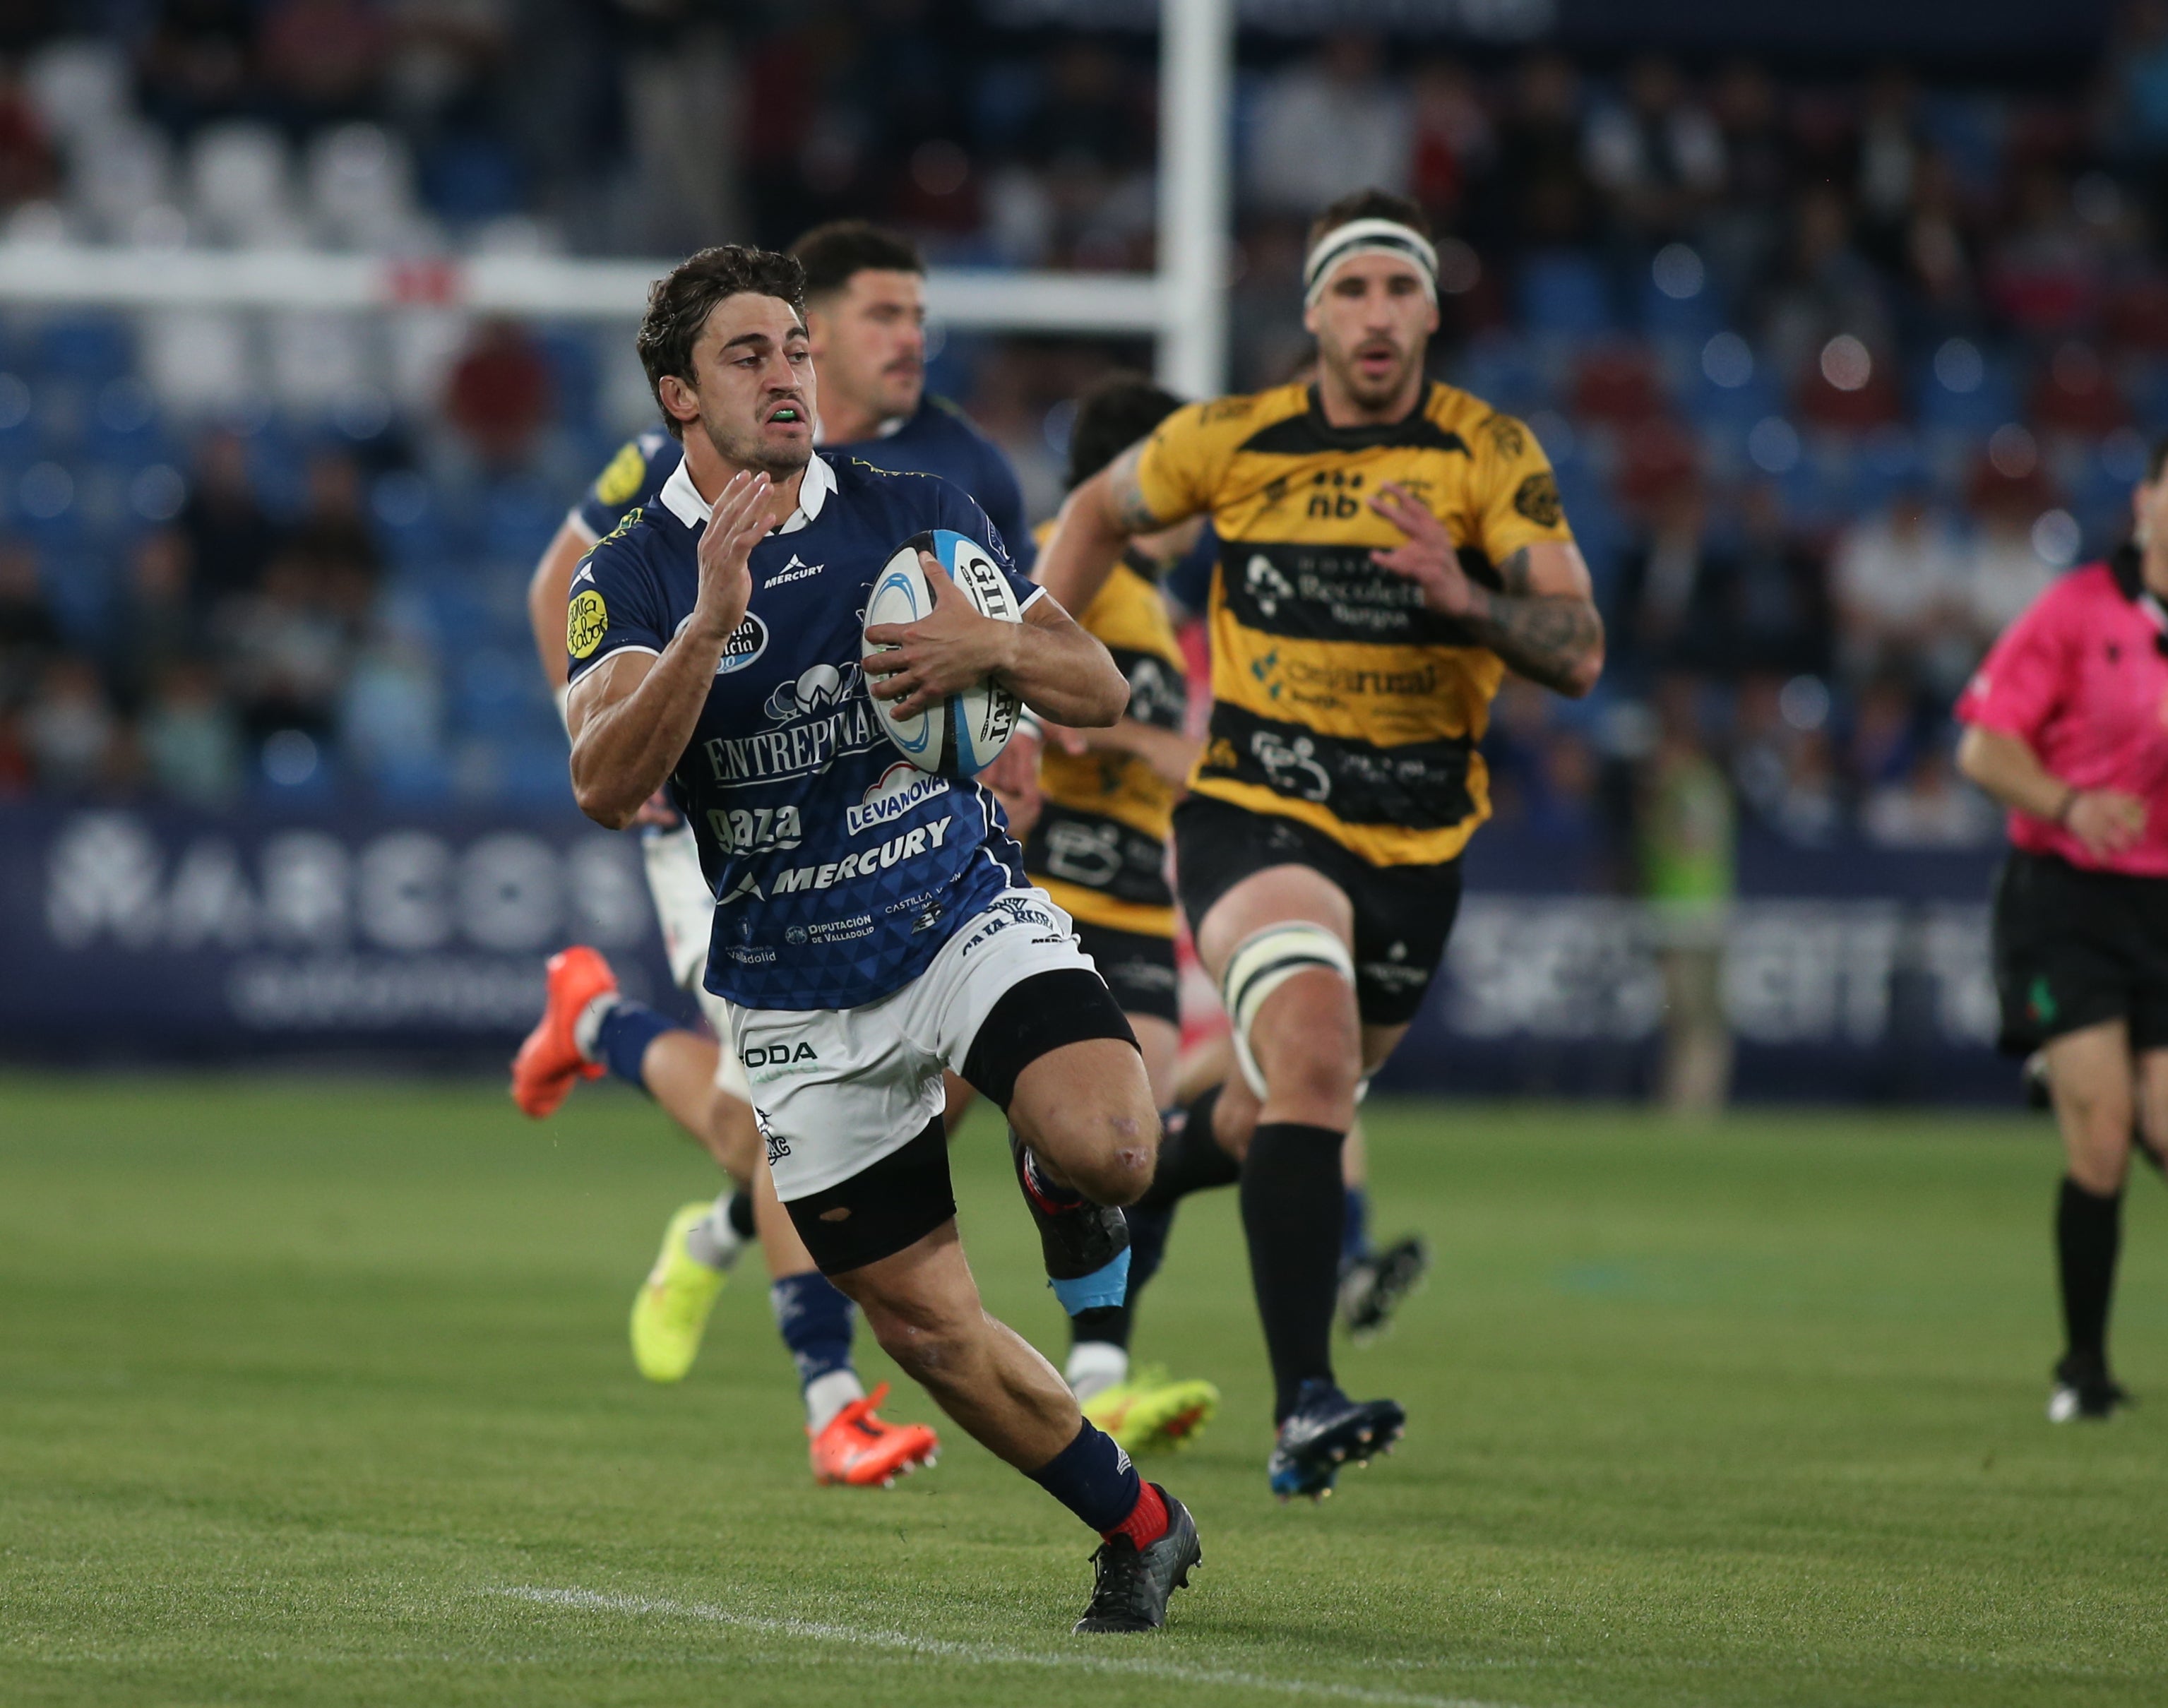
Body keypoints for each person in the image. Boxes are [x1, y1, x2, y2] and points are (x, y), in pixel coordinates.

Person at [564, 244, 1200, 1632]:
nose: (786, 373)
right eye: (748, 354)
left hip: (952, 906)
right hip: (796, 996)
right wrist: (706, 632)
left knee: (1113, 1148)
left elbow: (1087, 681)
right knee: (924, 1332)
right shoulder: (633, 575)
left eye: (795, 347)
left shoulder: (915, 511)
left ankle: (1059, 1178)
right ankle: (1139, 1523)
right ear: (678, 391)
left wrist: (995, 653)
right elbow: (606, 784)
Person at [1035, 188, 1604, 1500]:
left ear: (1429, 309)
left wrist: (1464, 597)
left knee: (1277, 1107)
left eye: (1398, 289)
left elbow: (1577, 649)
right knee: (1307, 1057)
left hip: (1416, 843)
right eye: (1349, 291)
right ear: (1310, 314)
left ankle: (1115, 1184)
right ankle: (1305, 1403)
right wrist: (1028, 661)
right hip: (1257, 811)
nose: (1374, 315)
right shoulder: (1230, 439)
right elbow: (1101, 511)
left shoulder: (1485, 454)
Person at [512, 220, 1032, 1475]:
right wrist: (630, 739)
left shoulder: (951, 466)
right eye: (883, 316)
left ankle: (611, 1053)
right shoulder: (669, 465)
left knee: (908, 1103)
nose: (908, 340)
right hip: (729, 833)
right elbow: (561, 590)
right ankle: (832, 1400)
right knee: (778, 1121)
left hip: (897, 833)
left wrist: (1006, 740)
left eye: (918, 317)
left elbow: (1008, 620)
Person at [1001, 374, 1221, 1452]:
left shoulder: (1163, 610)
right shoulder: (1058, 566)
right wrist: (1152, 745)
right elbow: (1029, 702)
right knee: (912, 1122)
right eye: (1179, 479)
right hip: (1046, 890)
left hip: (1136, 900)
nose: (1200, 504)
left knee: (1139, 1144)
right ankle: (732, 1229)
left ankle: (1099, 1367)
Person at [1955, 433, 2168, 1423]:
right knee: (2103, 1137)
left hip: (2160, 905)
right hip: (2067, 898)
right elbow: (1982, 750)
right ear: (2144, 501)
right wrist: (2070, 802)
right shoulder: (2077, 612)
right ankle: (2082, 1372)